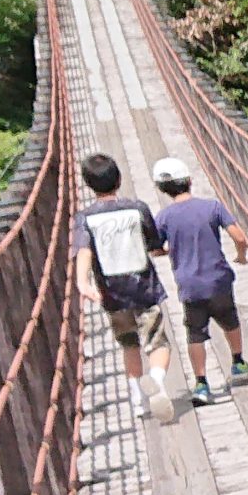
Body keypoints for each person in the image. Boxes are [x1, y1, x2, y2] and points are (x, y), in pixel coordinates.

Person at [73, 152, 173, 419]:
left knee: (129, 345)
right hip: (144, 288)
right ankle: (157, 380)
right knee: (157, 342)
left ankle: (138, 401)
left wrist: (82, 283)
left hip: (113, 294)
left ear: (88, 185)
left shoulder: (84, 218)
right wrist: (167, 250)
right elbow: (154, 247)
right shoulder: (137, 208)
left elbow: (84, 251)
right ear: (119, 179)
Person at [150, 156, 248, 408]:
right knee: (230, 320)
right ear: (190, 181)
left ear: (163, 189)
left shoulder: (164, 217)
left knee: (195, 334)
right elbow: (239, 237)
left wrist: (170, 251)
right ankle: (238, 362)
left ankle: (201, 383)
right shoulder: (213, 207)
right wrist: (241, 256)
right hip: (218, 280)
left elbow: (154, 249)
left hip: (190, 286)